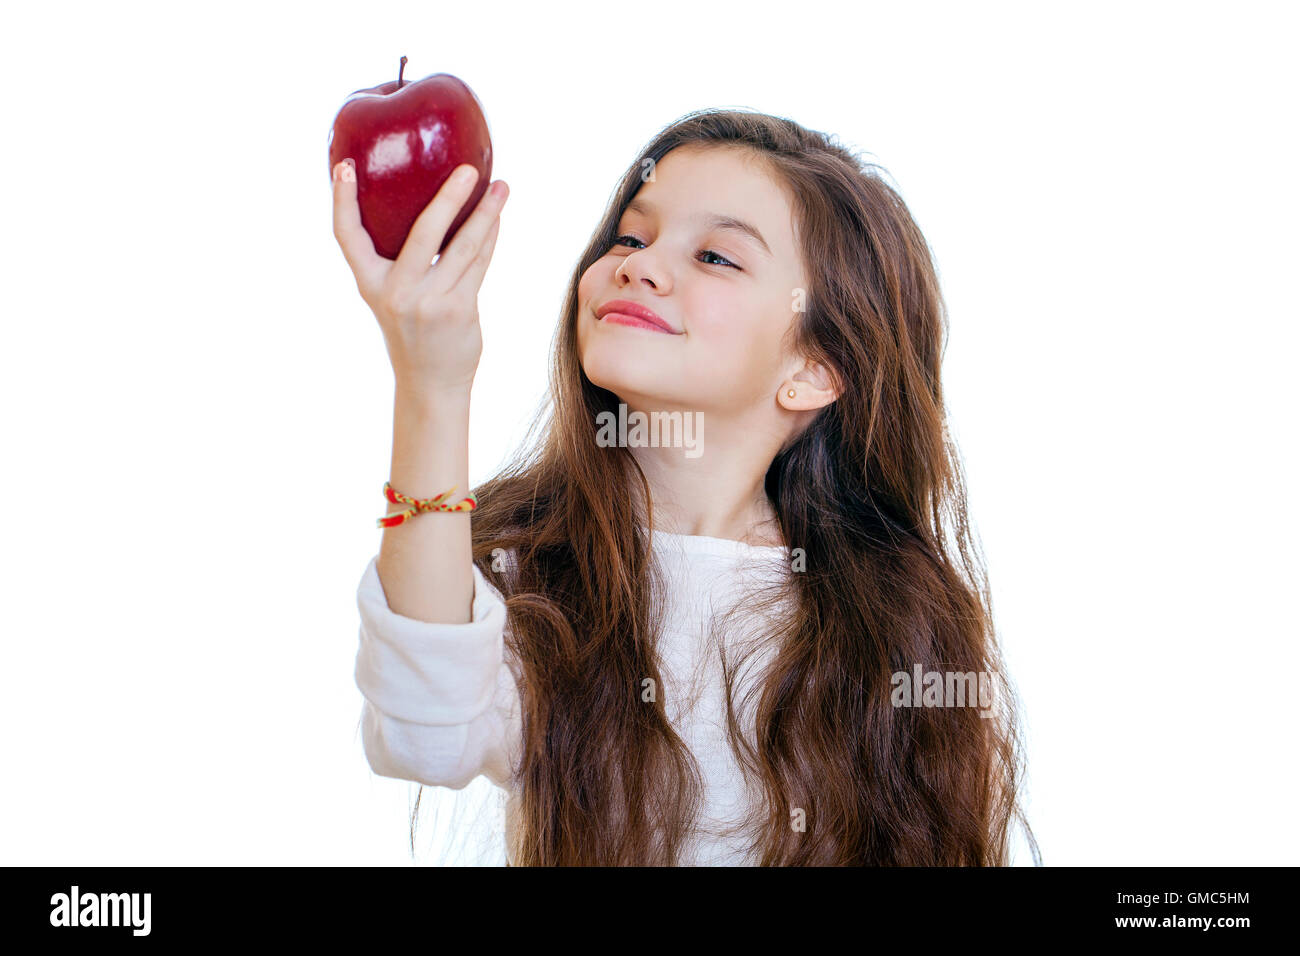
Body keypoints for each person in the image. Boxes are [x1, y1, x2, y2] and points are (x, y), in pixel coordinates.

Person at [332, 108, 1040, 866]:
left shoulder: (895, 629)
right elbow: (421, 731)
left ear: (814, 371)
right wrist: (433, 381)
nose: (635, 265)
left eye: (715, 257)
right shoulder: (534, 573)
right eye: (631, 237)